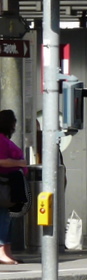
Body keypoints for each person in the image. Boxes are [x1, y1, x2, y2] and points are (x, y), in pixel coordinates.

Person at [0, 110, 27, 265]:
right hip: (4, 183)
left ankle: (7, 251)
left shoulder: (3, 139)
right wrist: (19, 163)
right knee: (3, 217)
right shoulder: (1, 140)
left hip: (8, 183)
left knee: (7, 218)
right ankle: (2, 251)